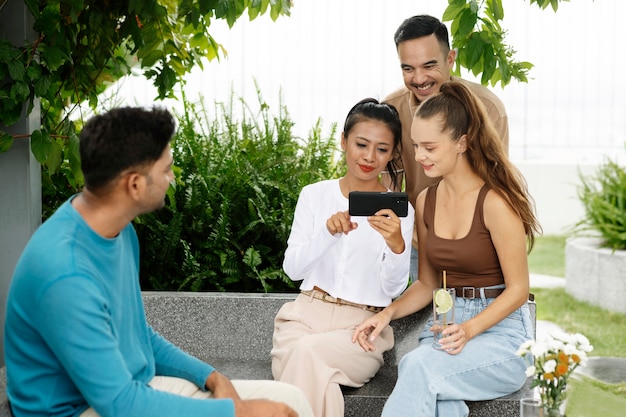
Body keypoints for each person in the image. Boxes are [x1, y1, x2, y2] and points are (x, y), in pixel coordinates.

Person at [3, 106, 314, 417]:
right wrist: (238, 413)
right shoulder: (65, 274)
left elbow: (138, 335)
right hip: (79, 411)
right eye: (166, 169)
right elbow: (121, 405)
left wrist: (212, 376)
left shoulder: (119, 231)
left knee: (291, 401)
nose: (172, 176)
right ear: (135, 184)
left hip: (130, 392)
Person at [352, 81, 540, 417]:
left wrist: (470, 329)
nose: (419, 156)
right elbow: (427, 283)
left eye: (429, 147)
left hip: (504, 335)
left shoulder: (496, 203)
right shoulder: (426, 201)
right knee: (436, 392)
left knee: (419, 367)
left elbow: (519, 290)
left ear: (462, 143)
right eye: (415, 146)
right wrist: (386, 314)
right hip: (447, 324)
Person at [271, 98, 415, 417]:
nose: (369, 156)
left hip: (361, 331)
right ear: (343, 141)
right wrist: (327, 233)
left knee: (307, 356)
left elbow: (391, 290)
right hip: (304, 318)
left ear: (392, 154)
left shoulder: (399, 213)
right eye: (361, 144)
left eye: (381, 148)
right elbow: (293, 270)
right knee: (315, 374)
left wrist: (395, 245)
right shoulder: (314, 195)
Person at [383, 14, 510, 282]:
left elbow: (498, 184)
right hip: (418, 243)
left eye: (429, 66)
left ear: (450, 59)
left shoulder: (488, 110)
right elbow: (386, 183)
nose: (419, 78)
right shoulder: (392, 110)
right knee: (421, 321)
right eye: (408, 69)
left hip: (476, 245)